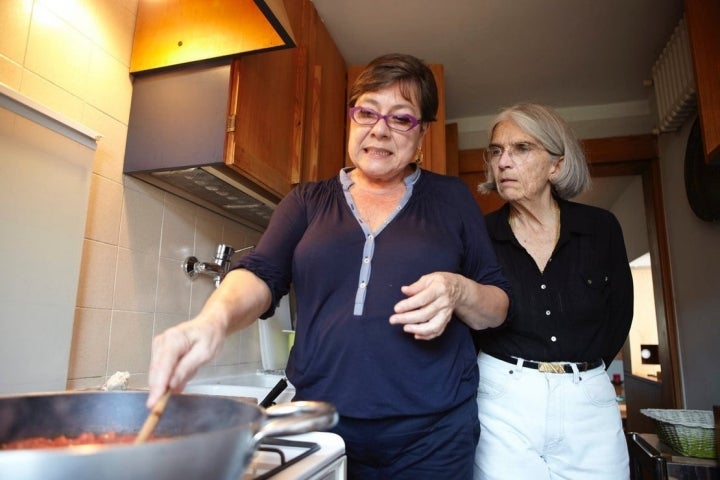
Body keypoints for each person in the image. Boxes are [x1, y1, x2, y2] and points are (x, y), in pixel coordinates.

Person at [147, 53, 511, 479]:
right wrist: (211, 322)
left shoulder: (452, 199)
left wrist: (459, 290)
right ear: (350, 118)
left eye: (401, 118)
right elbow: (262, 273)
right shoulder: (306, 201)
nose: (380, 129)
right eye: (367, 112)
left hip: (432, 437)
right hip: (324, 426)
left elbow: (498, 303)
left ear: (422, 133)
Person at [473, 103, 633, 480]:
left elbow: (619, 316)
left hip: (588, 399)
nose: (504, 162)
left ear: (556, 166)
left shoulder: (600, 229)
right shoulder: (479, 235)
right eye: (497, 151)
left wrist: (577, 375)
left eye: (522, 149)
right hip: (502, 398)